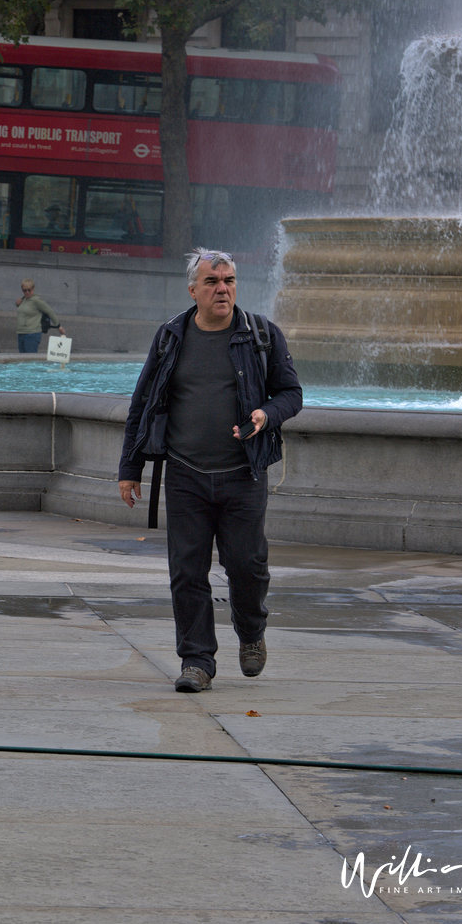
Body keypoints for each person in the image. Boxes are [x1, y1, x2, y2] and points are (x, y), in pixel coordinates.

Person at [116, 249, 302, 694]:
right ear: (193, 290)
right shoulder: (170, 337)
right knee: (187, 570)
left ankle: (251, 628)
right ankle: (197, 661)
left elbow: (291, 394)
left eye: (230, 280)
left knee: (247, 564)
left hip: (244, 472)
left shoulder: (261, 334)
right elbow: (141, 404)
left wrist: (266, 415)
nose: (223, 288)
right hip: (185, 472)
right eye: (214, 281)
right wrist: (130, 468)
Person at [14, 279, 66, 354]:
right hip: (21, 333)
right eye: (24, 290)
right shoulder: (23, 300)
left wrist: (58, 326)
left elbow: (49, 311)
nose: (27, 292)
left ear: (33, 288)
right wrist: (17, 304)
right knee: (22, 361)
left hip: (32, 334)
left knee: (30, 361)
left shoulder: (36, 300)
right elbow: (23, 312)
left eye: (29, 290)